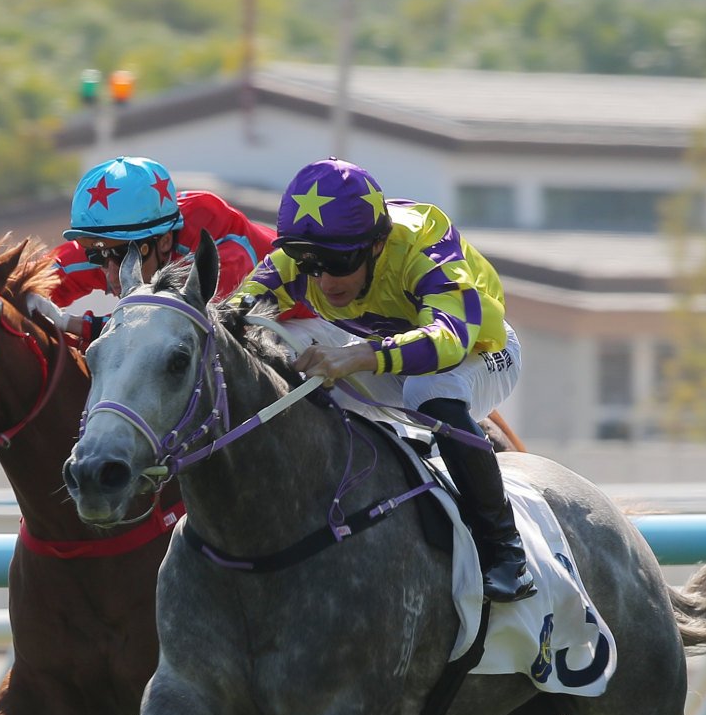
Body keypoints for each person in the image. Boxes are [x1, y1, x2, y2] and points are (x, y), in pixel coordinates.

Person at [228, 158, 535, 602]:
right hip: (390, 356)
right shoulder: (308, 254)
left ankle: (506, 550)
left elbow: (449, 340)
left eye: (338, 262)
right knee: (285, 342)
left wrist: (356, 356)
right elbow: (231, 318)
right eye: (307, 262)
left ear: (376, 244)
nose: (324, 278)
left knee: (428, 389)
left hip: (481, 352)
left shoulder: (423, 243)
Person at [51, 156, 278, 343]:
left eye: (123, 257)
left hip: (296, 316)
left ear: (165, 241)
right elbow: (27, 285)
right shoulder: (117, 244)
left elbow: (170, 322)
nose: (111, 275)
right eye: (97, 255)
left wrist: (75, 324)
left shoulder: (220, 246)